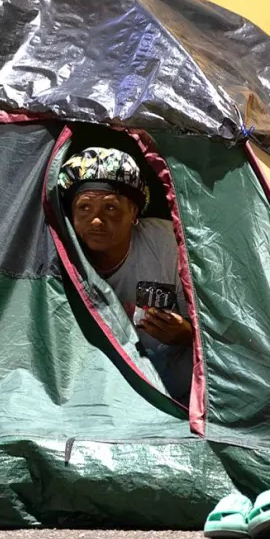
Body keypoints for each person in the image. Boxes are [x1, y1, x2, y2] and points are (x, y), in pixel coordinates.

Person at [58, 147, 193, 402]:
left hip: (173, 395)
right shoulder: (57, 254)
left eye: (110, 208)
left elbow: (217, 331)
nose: (96, 221)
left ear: (134, 212)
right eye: (84, 208)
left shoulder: (170, 246)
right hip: (93, 396)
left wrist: (186, 334)